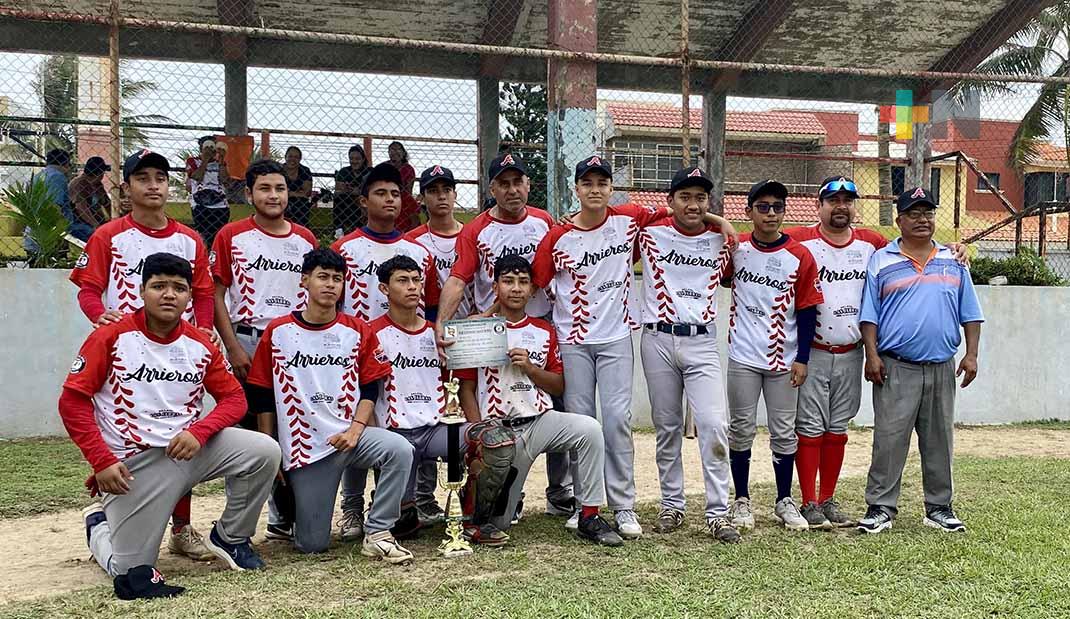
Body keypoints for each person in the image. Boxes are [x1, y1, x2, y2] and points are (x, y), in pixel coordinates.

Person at [66, 252, 280, 599]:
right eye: (159, 286)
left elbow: (235, 400)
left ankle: (230, 536)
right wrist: (102, 461)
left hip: (189, 449)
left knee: (264, 451)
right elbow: (72, 401)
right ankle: (98, 527)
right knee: (131, 573)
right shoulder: (111, 337)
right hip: (134, 466)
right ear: (141, 290)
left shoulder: (198, 342)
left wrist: (200, 431)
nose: (169, 294)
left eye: (179, 288)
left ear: (190, 296)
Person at [71, 149, 217, 560]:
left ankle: (182, 527)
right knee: (124, 431)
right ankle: (113, 505)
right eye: (143, 178)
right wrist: (101, 317)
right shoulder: (108, 235)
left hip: (180, 352)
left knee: (181, 430)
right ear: (127, 186)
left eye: (160, 177)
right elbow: (87, 288)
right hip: (127, 350)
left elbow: (204, 292)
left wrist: (203, 329)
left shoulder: (188, 238)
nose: (153, 185)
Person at [246, 249, 416, 563]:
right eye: (323, 277)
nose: (331, 285)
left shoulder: (356, 329)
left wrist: (356, 430)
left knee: (399, 449)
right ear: (305, 281)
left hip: (350, 437)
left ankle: (378, 532)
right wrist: (271, 446)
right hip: (305, 448)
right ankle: (293, 512)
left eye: (337, 279)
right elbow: (261, 393)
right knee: (312, 545)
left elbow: (370, 387)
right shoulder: (279, 330)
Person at [437, 152, 574, 521]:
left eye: (519, 182)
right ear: (492, 188)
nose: (513, 190)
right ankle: (500, 493)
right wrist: (442, 323)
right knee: (497, 412)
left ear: (528, 185)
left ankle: (559, 491)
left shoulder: (545, 221)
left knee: (551, 408)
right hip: (492, 331)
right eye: (504, 183)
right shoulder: (476, 229)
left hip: (541, 322)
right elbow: (458, 278)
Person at [457, 254, 624, 547]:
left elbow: (559, 386)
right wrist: (479, 433)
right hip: (499, 431)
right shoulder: (479, 329)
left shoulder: (543, 330)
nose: (516, 288)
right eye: (508, 281)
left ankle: (588, 514)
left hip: (539, 420)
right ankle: (477, 502)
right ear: (495, 287)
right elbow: (465, 388)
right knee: (497, 523)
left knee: (589, 429)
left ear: (533, 289)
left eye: (523, 282)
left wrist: (531, 368)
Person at [856, 187, 983, 535]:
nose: (922, 219)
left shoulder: (953, 259)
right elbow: (869, 315)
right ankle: (880, 507)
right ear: (899, 220)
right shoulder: (882, 260)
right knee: (889, 439)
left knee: (939, 440)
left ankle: (939, 507)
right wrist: (872, 355)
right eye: (914, 213)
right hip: (896, 366)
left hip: (942, 367)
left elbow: (970, 313)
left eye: (928, 213)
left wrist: (971, 355)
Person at [329, 161, 439, 541]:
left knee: (416, 420)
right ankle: (352, 508)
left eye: (395, 193)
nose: (390, 200)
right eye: (381, 193)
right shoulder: (344, 249)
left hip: (409, 346)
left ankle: (419, 501)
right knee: (359, 427)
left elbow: (435, 305)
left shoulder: (418, 251)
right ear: (363, 200)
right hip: (356, 350)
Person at [211, 159, 319, 541]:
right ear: (249, 193)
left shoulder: (305, 238)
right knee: (245, 427)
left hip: (293, 342)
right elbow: (216, 295)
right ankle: (237, 523)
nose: (273, 196)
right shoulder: (231, 235)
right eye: (265, 189)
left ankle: (283, 515)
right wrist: (232, 346)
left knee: (292, 426)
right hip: (248, 338)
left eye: (280, 189)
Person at [635, 166, 739, 542]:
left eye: (700, 198)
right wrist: (715, 216)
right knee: (666, 428)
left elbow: (732, 261)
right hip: (658, 338)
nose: (693, 204)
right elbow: (629, 214)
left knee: (713, 424)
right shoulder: (650, 235)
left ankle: (718, 511)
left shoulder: (721, 240)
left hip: (702, 340)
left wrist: (718, 221)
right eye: (685, 196)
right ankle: (672, 505)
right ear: (670, 201)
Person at [781, 176, 888, 529]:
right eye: (833, 200)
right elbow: (759, 241)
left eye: (848, 200)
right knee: (809, 426)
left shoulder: (871, 244)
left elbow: (912, 248)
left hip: (851, 349)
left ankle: (828, 498)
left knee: (838, 426)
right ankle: (809, 500)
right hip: (812, 349)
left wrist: (956, 249)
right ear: (819, 205)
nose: (841, 206)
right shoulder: (801, 239)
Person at [725, 179, 824, 533]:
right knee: (741, 430)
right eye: (763, 206)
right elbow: (718, 274)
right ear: (748, 211)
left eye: (777, 207)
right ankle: (741, 499)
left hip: (784, 359)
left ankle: (784, 499)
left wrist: (803, 358)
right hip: (743, 355)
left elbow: (809, 310)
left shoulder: (799, 255)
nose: (770, 214)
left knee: (784, 432)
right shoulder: (736, 249)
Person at [369, 255, 478, 541]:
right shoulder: (371, 333)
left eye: (416, 280)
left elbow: (461, 383)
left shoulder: (437, 333)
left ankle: (474, 511)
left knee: (491, 439)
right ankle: (390, 500)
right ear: (384, 289)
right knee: (403, 527)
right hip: (395, 436)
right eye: (402, 281)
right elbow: (364, 392)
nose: (412, 287)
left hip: (437, 431)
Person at [404, 164, 473, 526]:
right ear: (423, 197)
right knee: (431, 412)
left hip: (474, 333)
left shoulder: (472, 234)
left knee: (466, 412)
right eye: (433, 190)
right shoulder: (414, 241)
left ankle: (464, 491)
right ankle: (425, 495)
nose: (441, 196)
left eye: (447, 189)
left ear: (455, 194)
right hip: (431, 334)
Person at [186, 135, 231, 248]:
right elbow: (196, 177)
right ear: (201, 149)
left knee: (219, 236)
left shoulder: (220, 164)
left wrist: (221, 160)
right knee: (203, 236)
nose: (211, 150)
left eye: (213, 147)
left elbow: (225, 181)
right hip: (200, 205)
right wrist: (205, 160)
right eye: (207, 147)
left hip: (220, 205)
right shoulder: (193, 161)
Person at [67, 156, 112, 241]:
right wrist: (95, 225)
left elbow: (107, 203)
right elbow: (81, 208)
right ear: (100, 173)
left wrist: (113, 219)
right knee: (96, 235)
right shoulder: (79, 184)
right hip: (77, 222)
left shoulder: (97, 185)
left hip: (94, 220)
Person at [334, 145, 371, 236]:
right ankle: (339, 231)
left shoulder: (369, 172)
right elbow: (337, 190)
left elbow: (372, 190)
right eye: (351, 158)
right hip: (346, 201)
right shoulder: (344, 171)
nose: (354, 161)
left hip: (364, 202)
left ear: (363, 159)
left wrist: (358, 191)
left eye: (357, 159)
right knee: (339, 198)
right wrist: (348, 190)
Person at [388, 141, 420, 232]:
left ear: (403, 153)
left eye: (398, 149)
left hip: (403, 197)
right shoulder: (385, 166)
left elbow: (408, 190)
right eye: (392, 149)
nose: (395, 152)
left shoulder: (408, 169)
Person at [282, 146, 314, 228]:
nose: (293, 159)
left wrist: (289, 193)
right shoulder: (279, 169)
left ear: (300, 159)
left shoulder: (305, 171)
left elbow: (307, 193)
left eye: (296, 157)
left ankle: (300, 230)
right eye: (290, 156)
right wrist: (298, 193)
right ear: (285, 157)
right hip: (281, 200)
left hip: (299, 203)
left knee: (301, 205)